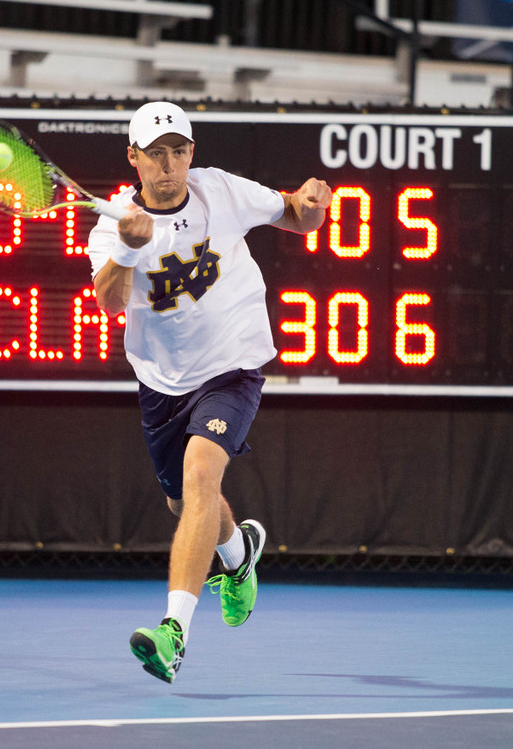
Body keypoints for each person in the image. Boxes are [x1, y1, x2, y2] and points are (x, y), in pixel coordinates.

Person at [87, 101, 332, 683]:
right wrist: (127, 248)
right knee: (184, 503)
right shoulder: (111, 224)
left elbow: (295, 214)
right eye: (155, 153)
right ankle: (237, 556)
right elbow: (108, 301)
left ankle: (173, 633)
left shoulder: (218, 191)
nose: (167, 164)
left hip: (234, 363)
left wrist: (313, 205)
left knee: (201, 478)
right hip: (163, 381)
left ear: (191, 154)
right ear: (134, 159)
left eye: (178, 151)